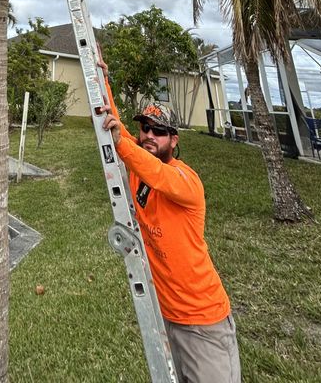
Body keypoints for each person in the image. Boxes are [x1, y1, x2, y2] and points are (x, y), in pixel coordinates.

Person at [99, 69, 242, 383]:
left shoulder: (185, 180)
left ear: (173, 140)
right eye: (145, 128)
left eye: (159, 131)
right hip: (164, 316)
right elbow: (114, 123)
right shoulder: (139, 170)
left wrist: (124, 143)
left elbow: (158, 174)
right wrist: (103, 77)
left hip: (203, 320)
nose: (150, 135)